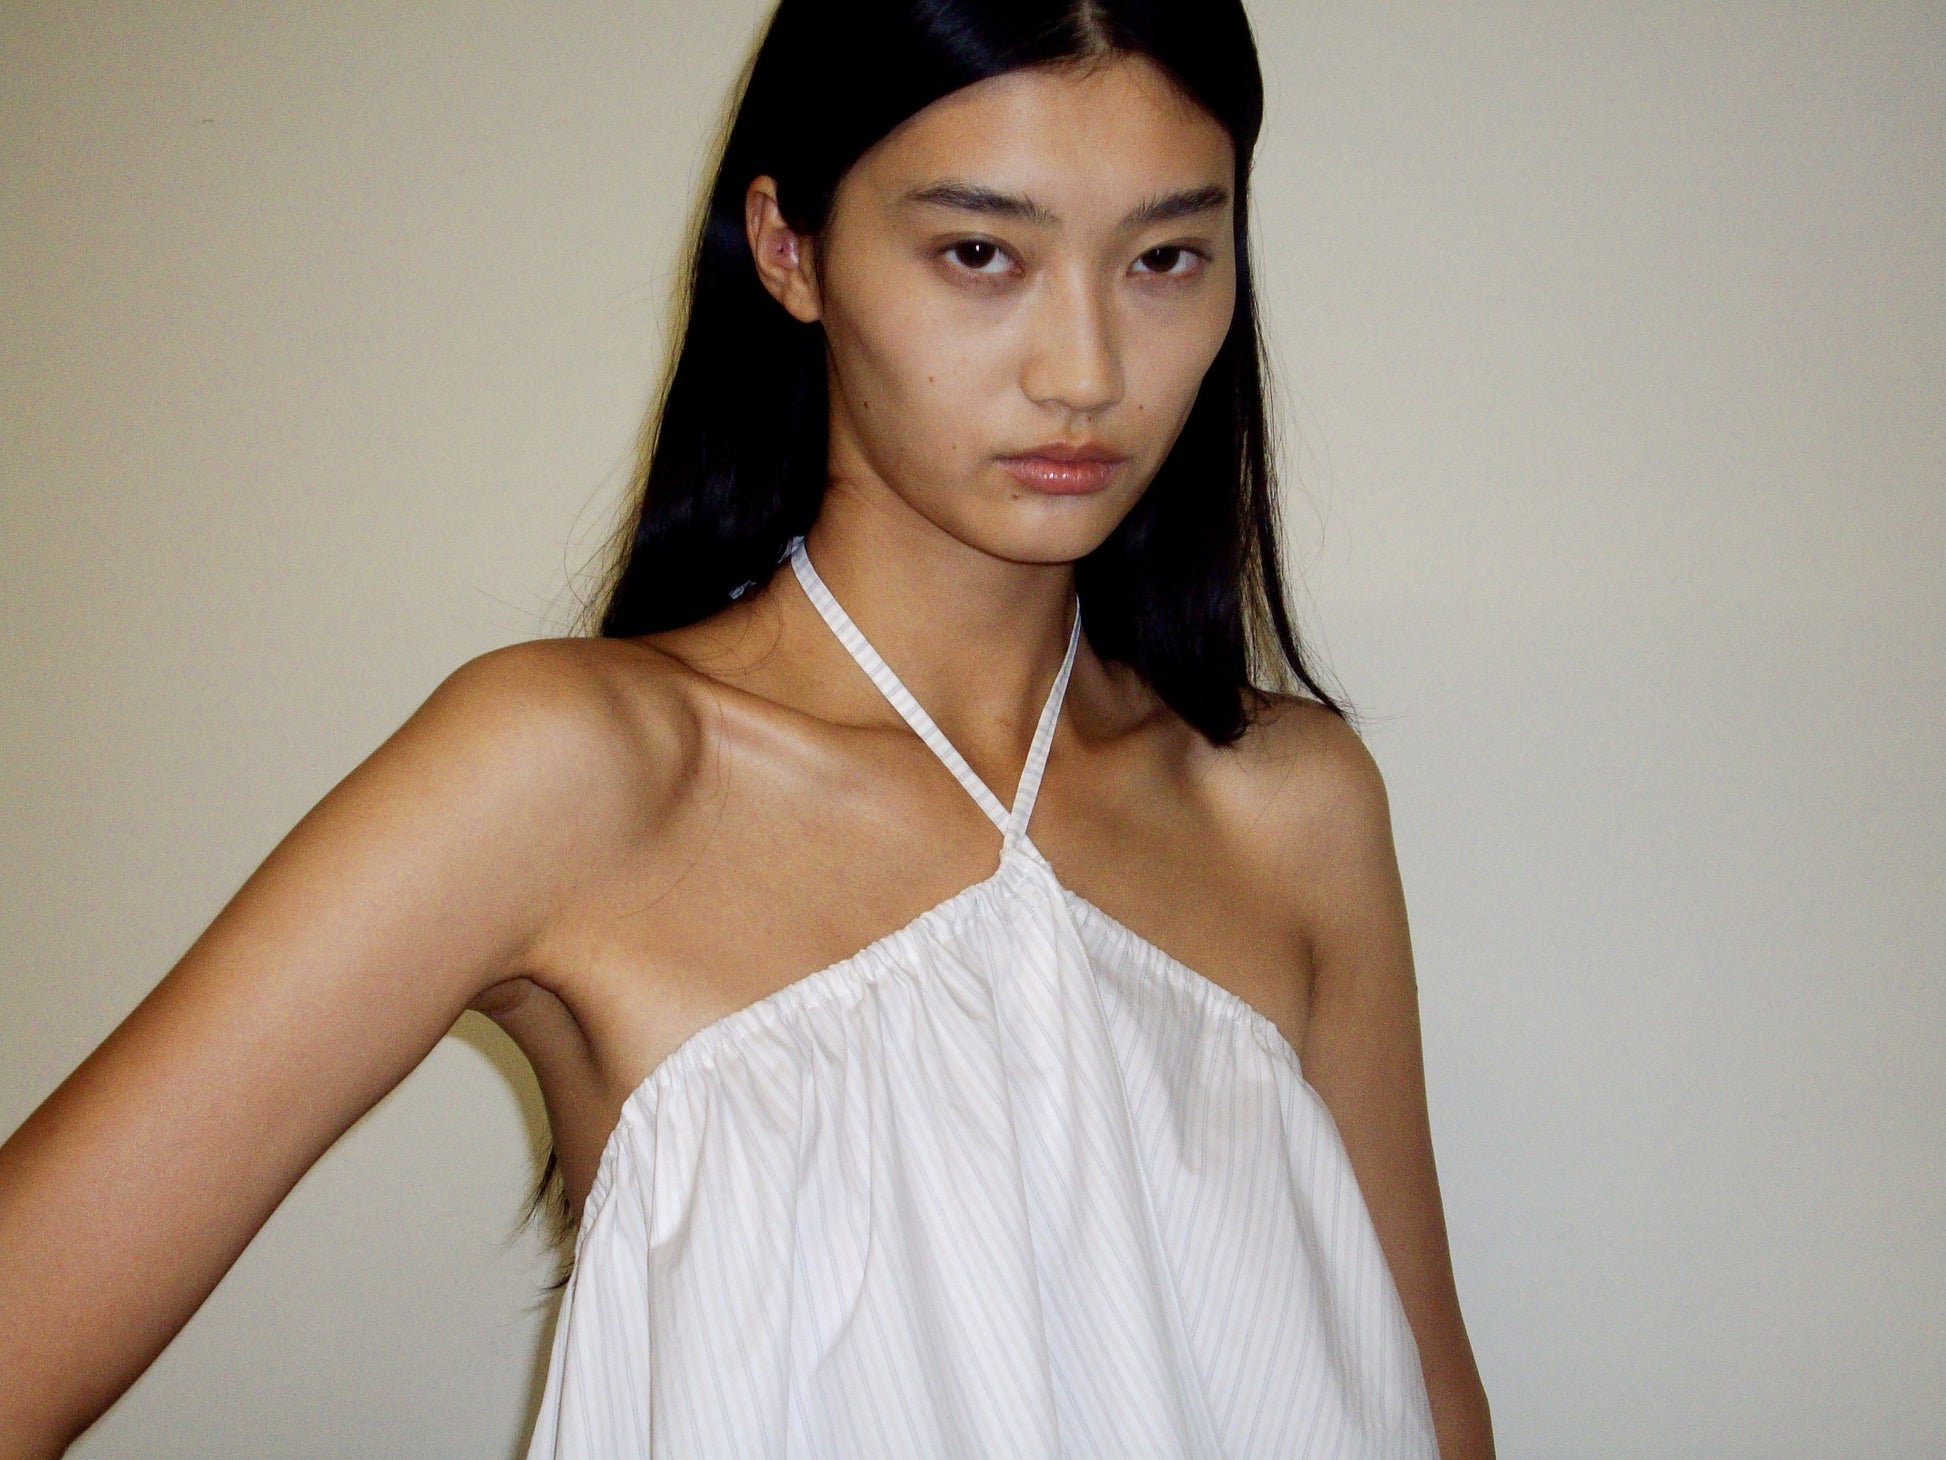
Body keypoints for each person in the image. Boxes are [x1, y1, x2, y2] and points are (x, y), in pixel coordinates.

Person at [0, 1, 1493, 1456]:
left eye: (1165, 258)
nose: (1085, 371)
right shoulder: (573, 770)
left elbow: (1425, 1412)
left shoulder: (1287, 806)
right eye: (980, 253)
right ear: (789, 250)